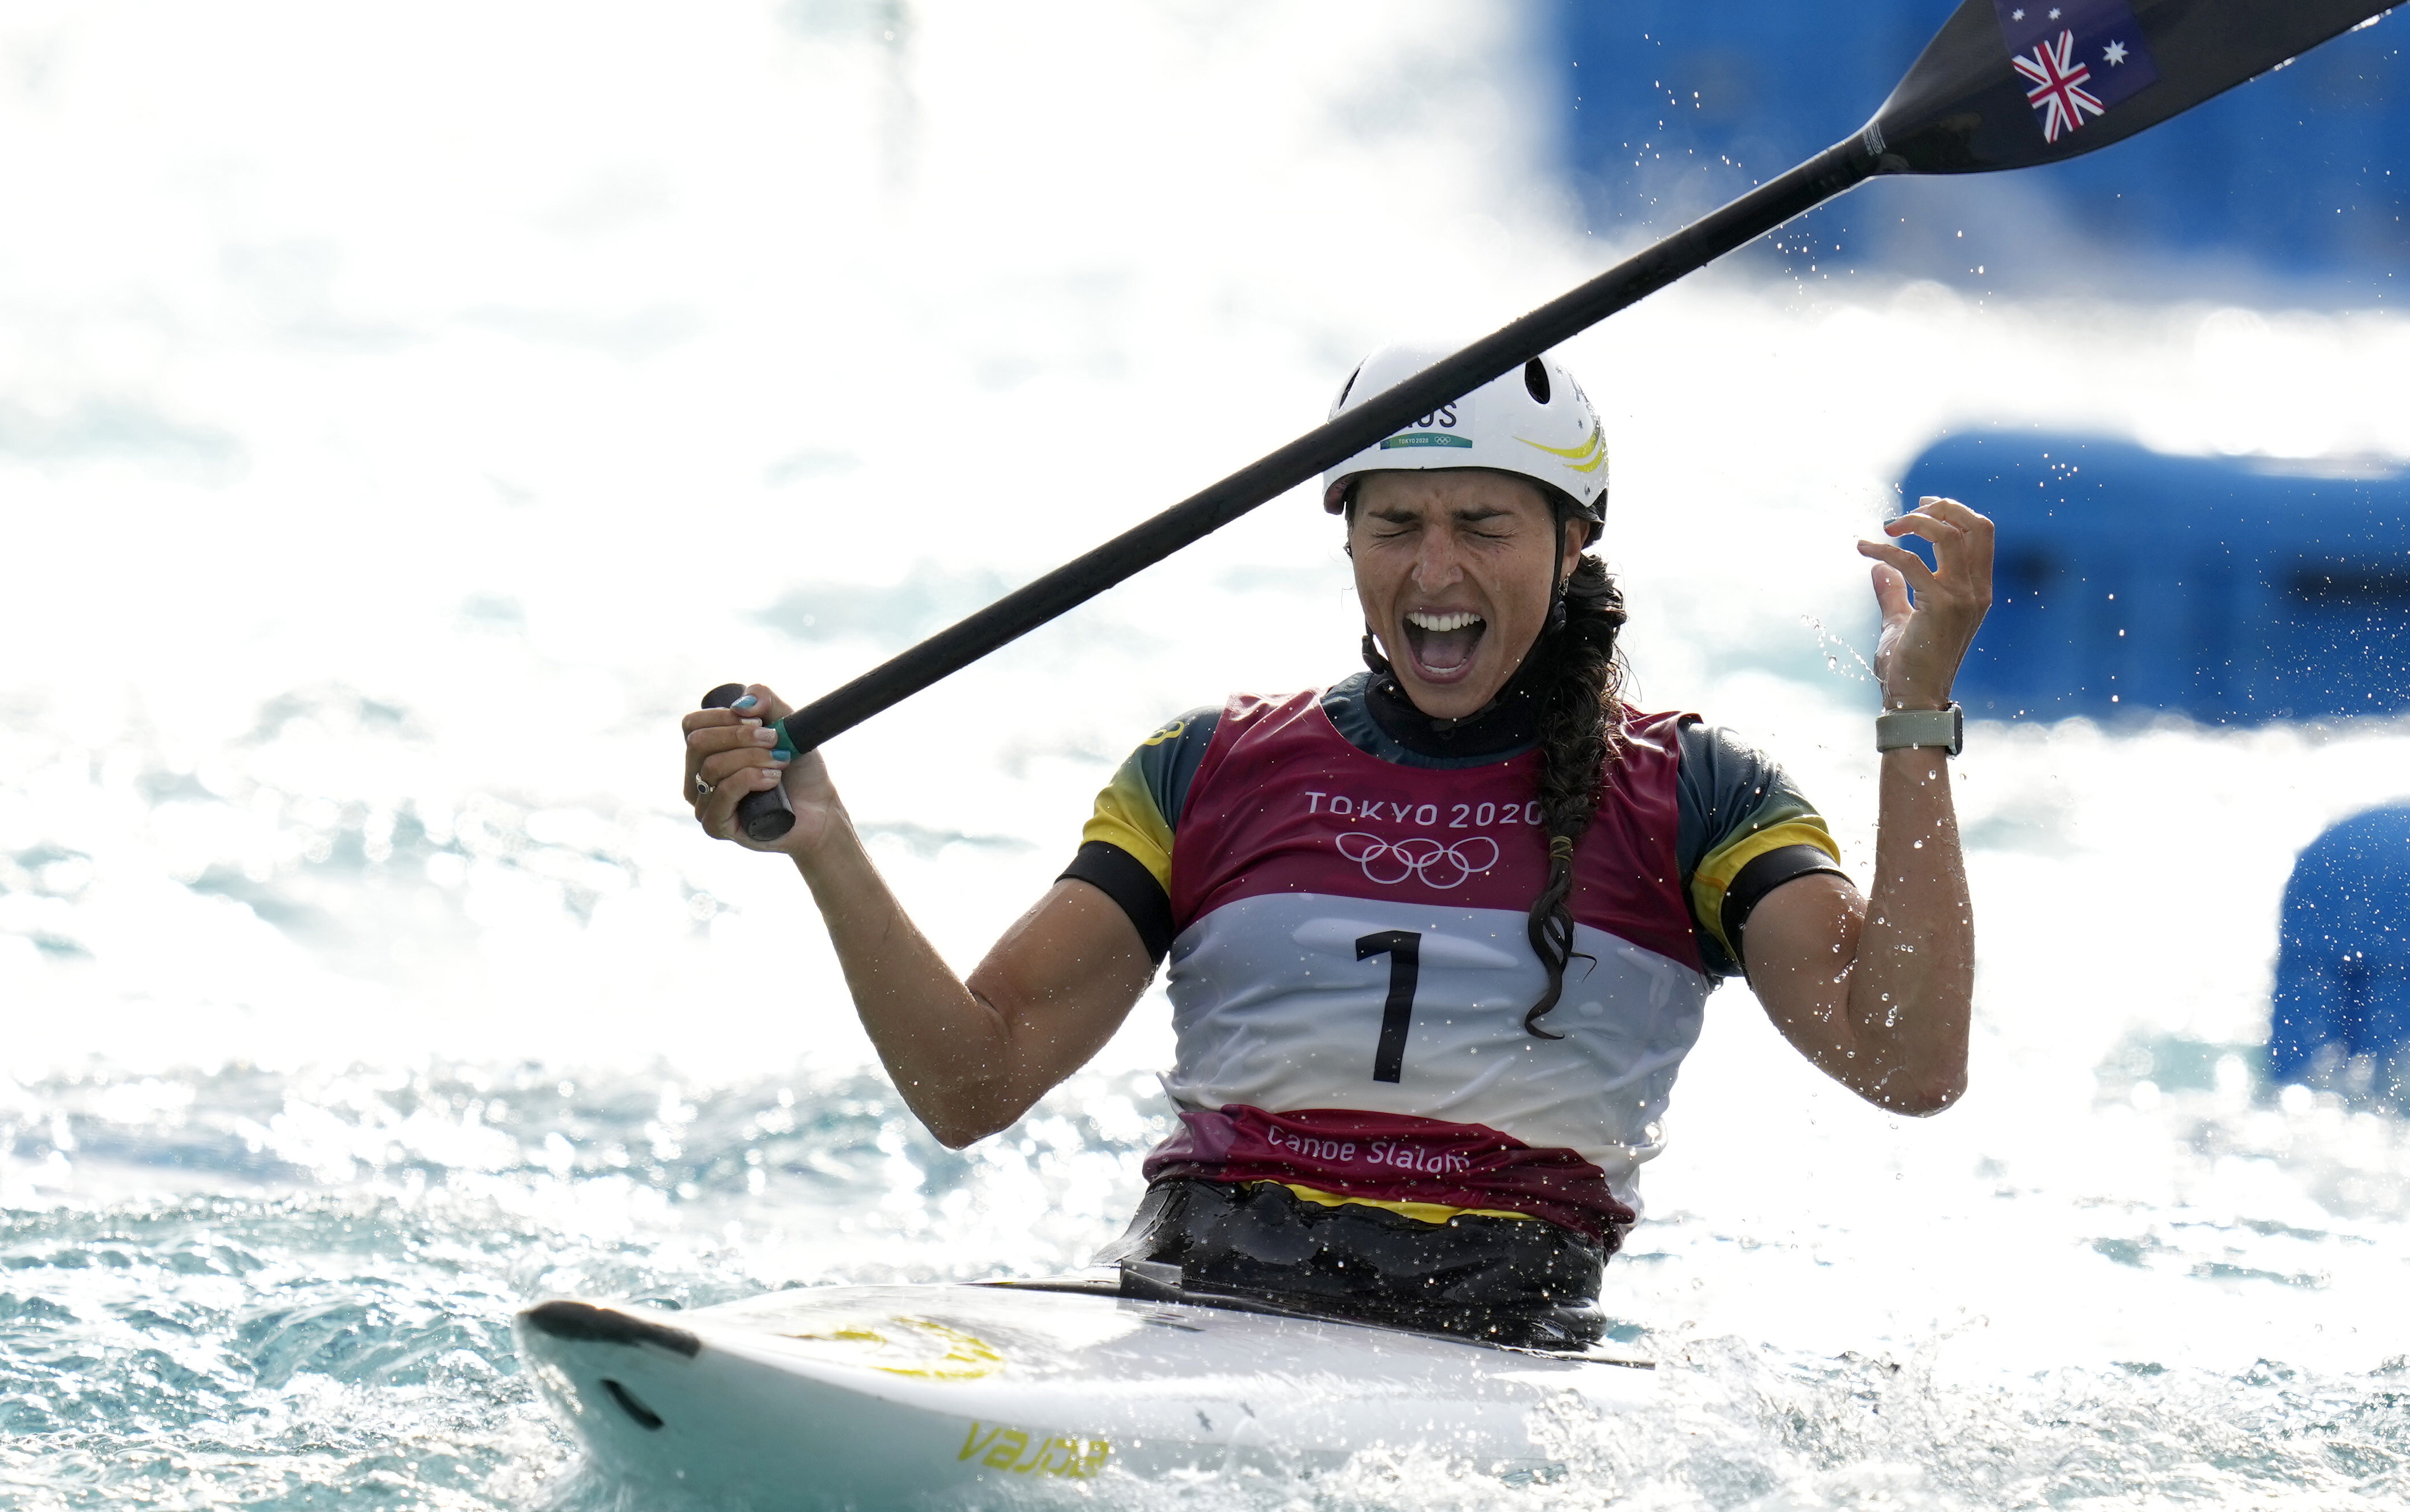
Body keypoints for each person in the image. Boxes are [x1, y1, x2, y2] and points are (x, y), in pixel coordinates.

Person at [682, 345, 1991, 1348]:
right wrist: (828, 848)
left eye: (1483, 526)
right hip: (1191, 1308)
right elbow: (973, 1083)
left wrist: (1912, 718)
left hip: (1508, 1342)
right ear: (1348, 537)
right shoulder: (1208, 770)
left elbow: (1909, 1060)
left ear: (1574, 541)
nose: (1433, 572)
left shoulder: (1700, 797)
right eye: (1393, 526)